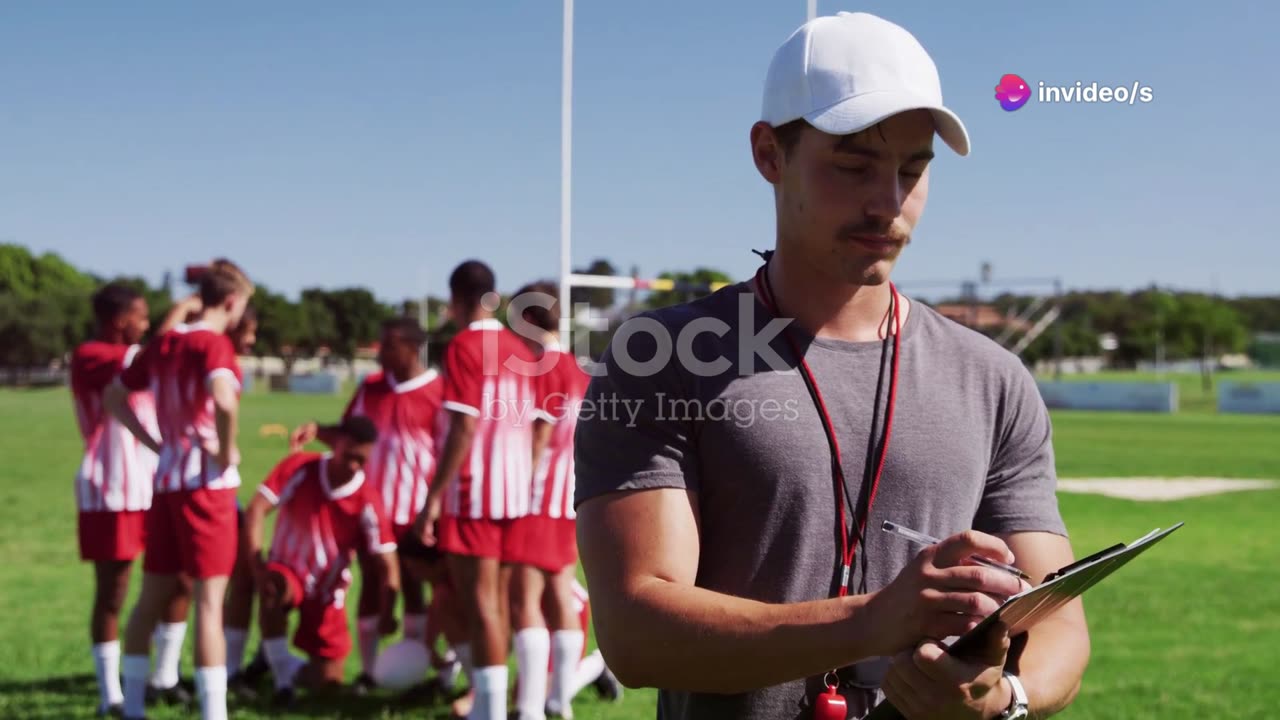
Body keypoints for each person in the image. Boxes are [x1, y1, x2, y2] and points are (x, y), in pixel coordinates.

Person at [574, 12, 1090, 720]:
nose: (889, 203)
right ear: (769, 154)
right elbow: (636, 633)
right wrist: (871, 623)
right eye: (853, 165)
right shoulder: (660, 360)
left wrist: (1003, 697)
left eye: (913, 170)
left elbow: (1058, 616)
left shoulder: (993, 379)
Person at [106, 258, 255, 720]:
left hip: (167, 483)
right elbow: (224, 399)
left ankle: (132, 707)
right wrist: (227, 449)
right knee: (210, 605)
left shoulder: (164, 343)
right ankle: (215, 713)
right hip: (205, 487)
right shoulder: (215, 345)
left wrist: (155, 441)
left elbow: (114, 396)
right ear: (231, 302)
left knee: (150, 598)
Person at [291, 315, 446, 693]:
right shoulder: (370, 388)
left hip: (416, 512)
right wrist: (320, 431)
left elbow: (449, 453)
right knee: (372, 586)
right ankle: (370, 672)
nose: (380, 352)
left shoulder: (439, 391)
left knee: (414, 590)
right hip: (371, 513)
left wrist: (435, 506)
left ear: (411, 348)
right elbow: (350, 437)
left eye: (389, 345)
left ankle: (420, 669)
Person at [413, 259, 538, 720]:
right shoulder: (521, 349)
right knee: (499, 601)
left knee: (480, 601)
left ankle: (489, 708)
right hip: (514, 492)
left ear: (457, 298)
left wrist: (431, 499)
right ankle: (494, 701)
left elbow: (463, 429)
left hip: (475, 492)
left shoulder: (464, 345)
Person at [70, 284, 199, 715]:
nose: (146, 325)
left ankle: (165, 677)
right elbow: (154, 352)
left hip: (159, 483)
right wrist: (182, 309)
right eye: (142, 317)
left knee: (181, 579)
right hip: (113, 488)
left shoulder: (145, 357)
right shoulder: (91, 354)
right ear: (120, 320)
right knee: (114, 590)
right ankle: (112, 696)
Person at [244, 415, 400, 706]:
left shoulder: (367, 498)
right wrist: (258, 569)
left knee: (328, 686)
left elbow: (387, 563)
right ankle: (282, 685)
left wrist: (389, 613)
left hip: (328, 593)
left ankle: (275, 660)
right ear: (336, 443)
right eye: (349, 456)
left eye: (362, 460)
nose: (354, 466)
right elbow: (256, 510)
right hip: (287, 570)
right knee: (273, 587)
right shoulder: (301, 468)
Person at [503, 281, 599, 720]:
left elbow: (539, 433)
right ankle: (560, 699)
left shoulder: (540, 367)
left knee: (525, 599)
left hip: (538, 495)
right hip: (570, 496)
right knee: (561, 593)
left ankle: (529, 709)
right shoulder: (581, 370)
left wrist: (518, 487)